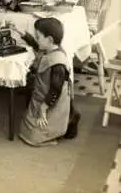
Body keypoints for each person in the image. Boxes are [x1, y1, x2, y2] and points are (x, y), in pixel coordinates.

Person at [15, 17, 80, 146]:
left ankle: (65, 124)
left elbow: (55, 89)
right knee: (25, 131)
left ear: (49, 39)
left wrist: (43, 109)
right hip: (41, 96)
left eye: (38, 37)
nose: (37, 39)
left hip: (52, 101)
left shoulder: (58, 62)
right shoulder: (51, 48)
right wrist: (20, 33)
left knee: (33, 138)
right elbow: (36, 45)